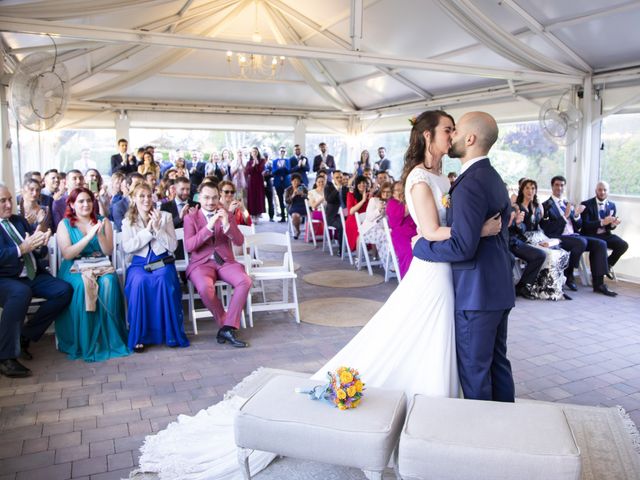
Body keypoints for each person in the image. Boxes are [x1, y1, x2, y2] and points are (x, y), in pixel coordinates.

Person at [135, 110, 502, 478]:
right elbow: (429, 229)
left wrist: (461, 230)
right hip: (432, 272)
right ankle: (423, 424)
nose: (451, 135)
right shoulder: (420, 178)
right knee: (420, 337)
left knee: (431, 339)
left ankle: (436, 420)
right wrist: (475, 232)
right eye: (446, 130)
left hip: (445, 271)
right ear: (427, 136)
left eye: (454, 130)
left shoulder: (441, 176)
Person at [412, 111, 515, 402]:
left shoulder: (469, 183)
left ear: (470, 139)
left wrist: (421, 246)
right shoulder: (492, 176)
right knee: (498, 366)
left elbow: (461, 247)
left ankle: (480, 439)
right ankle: (510, 424)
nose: (452, 136)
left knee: (475, 371)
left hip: (476, 294)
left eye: (455, 131)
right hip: (497, 289)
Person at [0, 183, 72, 377]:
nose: (8, 204)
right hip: (6, 278)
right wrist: (20, 249)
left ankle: (26, 335)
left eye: (9, 200)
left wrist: (41, 242)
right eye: (2, 201)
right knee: (21, 292)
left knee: (64, 290)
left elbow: (35, 248)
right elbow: (16, 250)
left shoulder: (18, 220)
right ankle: (6, 358)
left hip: (32, 274)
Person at [55, 187, 129, 362]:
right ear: (72, 204)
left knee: (109, 282)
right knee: (82, 286)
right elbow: (67, 254)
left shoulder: (103, 221)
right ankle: (86, 339)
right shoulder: (64, 224)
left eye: (88, 200)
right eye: (80, 201)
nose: (86, 204)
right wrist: (88, 237)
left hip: (100, 264)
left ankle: (110, 337)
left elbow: (108, 250)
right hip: (74, 268)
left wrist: (100, 233)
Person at [121, 184, 189, 353]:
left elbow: (173, 246)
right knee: (139, 282)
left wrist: (158, 229)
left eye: (149, 195)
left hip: (162, 261)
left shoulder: (165, 216)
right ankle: (140, 336)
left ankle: (169, 334)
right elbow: (128, 247)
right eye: (141, 196)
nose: (146, 199)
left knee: (164, 279)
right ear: (134, 199)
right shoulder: (128, 221)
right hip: (139, 263)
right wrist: (148, 231)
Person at [183, 182, 251, 348]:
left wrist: (227, 224)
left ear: (218, 197)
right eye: (206, 197)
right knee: (206, 288)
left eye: (214, 197)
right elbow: (190, 246)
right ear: (199, 197)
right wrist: (209, 226)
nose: (210, 201)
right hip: (201, 264)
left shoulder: (226, 213)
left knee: (245, 281)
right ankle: (225, 325)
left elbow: (240, 241)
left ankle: (227, 327)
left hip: (225, 261)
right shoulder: (190, 218)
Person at [540, 176, 616, 296]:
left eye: (562, 185)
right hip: (558, 237)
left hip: (574, 235)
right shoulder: (546, 205)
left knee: (600, 244)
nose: (559, 188)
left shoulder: (567, 203)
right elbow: (547, 229)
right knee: (581, 242)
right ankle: (569, 273)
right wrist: (564, 217)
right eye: (557, 185)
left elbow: (578, 225)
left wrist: (576, 215)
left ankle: (599, 284)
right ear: (552, 186)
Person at [516, 179, 570, 300]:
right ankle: (537, 286)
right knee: (547, 254)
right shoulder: (517, 206)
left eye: (533, 188)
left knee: (560, 252)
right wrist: (519, 223)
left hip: (538, 237)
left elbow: (540, 226)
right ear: (522, 190)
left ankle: (555, 287)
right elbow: (518, 228)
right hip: (523, 239)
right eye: (527, 188)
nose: (530, 191)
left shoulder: (538, 206)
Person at [580, 181, 628, 275]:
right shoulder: (586, 204)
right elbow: (585, 225)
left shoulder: (612, 205)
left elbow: (609, 227)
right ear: (596, 191)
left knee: (623, 245)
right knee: (599, 245)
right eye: (600, 190)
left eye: (604, 190)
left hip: (605, 235)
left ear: (608, 191)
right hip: (590, 235)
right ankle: (599, 275)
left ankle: (607, 265)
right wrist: (602, 222)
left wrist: (613, 224)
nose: (602, 192)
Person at [386, 180, 417, 278]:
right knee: (409, 253)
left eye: (402, 190)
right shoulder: (392, 203)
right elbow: (403, 213)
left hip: (414, 230)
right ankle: (408, 279)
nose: (400, 192)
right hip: (400, 234)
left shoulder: (407, 200)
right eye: (397, 190)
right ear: (393, 192)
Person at [360, 181, 393, 262]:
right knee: (388, 238)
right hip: (370, 230)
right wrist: (378, 210)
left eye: (388, 192)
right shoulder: (374, 200)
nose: (385, 194)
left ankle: (388, 263)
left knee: (391, 237)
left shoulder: (392, 203)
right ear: (380, 191)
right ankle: (389, 264)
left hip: (384, 230)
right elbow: (369, 217)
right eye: (384, 191)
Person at [345, 175, 371, 252]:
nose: (362, 184)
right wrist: (363, 200)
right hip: (353, 220)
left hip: (366, 219)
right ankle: (358, 255)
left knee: (374, 226)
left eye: (364, 182)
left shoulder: (369, 195)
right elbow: (351, 211)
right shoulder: (351, 194)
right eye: (359, 183)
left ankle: (374, 254)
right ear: (356, 185)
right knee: (363, 229)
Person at [244, 147, 266, 222]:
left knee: (258, 197)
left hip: (259, 181)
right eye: (253, 152)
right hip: (251, 182)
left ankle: (257, 215)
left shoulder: (262, 160)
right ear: (251, 153)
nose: (254, 153)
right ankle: (252, 215)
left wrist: (256, 162)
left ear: (258, 152)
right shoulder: (248, 162)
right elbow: (247, 172)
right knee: (252, 197)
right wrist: (253, 164)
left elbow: (261, 169)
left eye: (256, 151)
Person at [284, 173, 307, 239]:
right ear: (291, 181)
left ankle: (312, 233)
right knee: (295, 216)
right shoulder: (288, 190)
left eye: (298, 181)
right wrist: (293, 195)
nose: (296, 183)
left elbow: (309, 198)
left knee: (313, 214)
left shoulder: (303, 188)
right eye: (294, 181)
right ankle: (297, 230)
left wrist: (303, 194)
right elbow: (287, 201)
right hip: (293, 206)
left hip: (303, 206)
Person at [272, 146, 290, 222]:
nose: (282, 152)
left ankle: (289, 216)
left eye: (283, 151)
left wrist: (284, 167)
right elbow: (273, 172)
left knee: (288, 200)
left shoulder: (287, 160)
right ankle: (283, 216)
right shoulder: (275, 161)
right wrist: (279, 168)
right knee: (280, 199)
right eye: (281, 151)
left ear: (285, 152)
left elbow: (289, 170)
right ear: (279, 152)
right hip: (278, 182)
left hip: (286, 182)